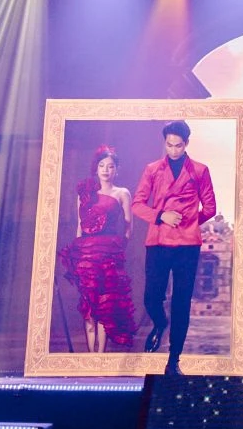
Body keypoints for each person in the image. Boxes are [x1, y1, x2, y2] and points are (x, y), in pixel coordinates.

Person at [133, 119, 216, 374]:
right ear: (165, 143)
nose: (173, 150)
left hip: (187, 246)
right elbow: (137, 204)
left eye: (178, 145)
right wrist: (161, 216)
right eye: (169, 145)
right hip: (158, 241)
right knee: (151, 298)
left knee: (181, 302)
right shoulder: (152, 169)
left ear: (186, 143)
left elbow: (210, 208)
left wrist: (189, 222)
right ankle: (160, 323)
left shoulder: (200, 170)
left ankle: (174, 360)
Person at [61, 145, 138, 353]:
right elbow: (80, 225)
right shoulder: (86, 193)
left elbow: (128, 226)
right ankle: (90, 356)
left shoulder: (122, 193)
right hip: (86, 255)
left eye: (110, 166)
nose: (105, 170)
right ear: (96, 168)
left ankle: (100, 356)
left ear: (117, 170)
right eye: (102, 165)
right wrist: (77, 256)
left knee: (105, 304)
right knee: (88, 304)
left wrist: (120, 249)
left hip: (109, 255)